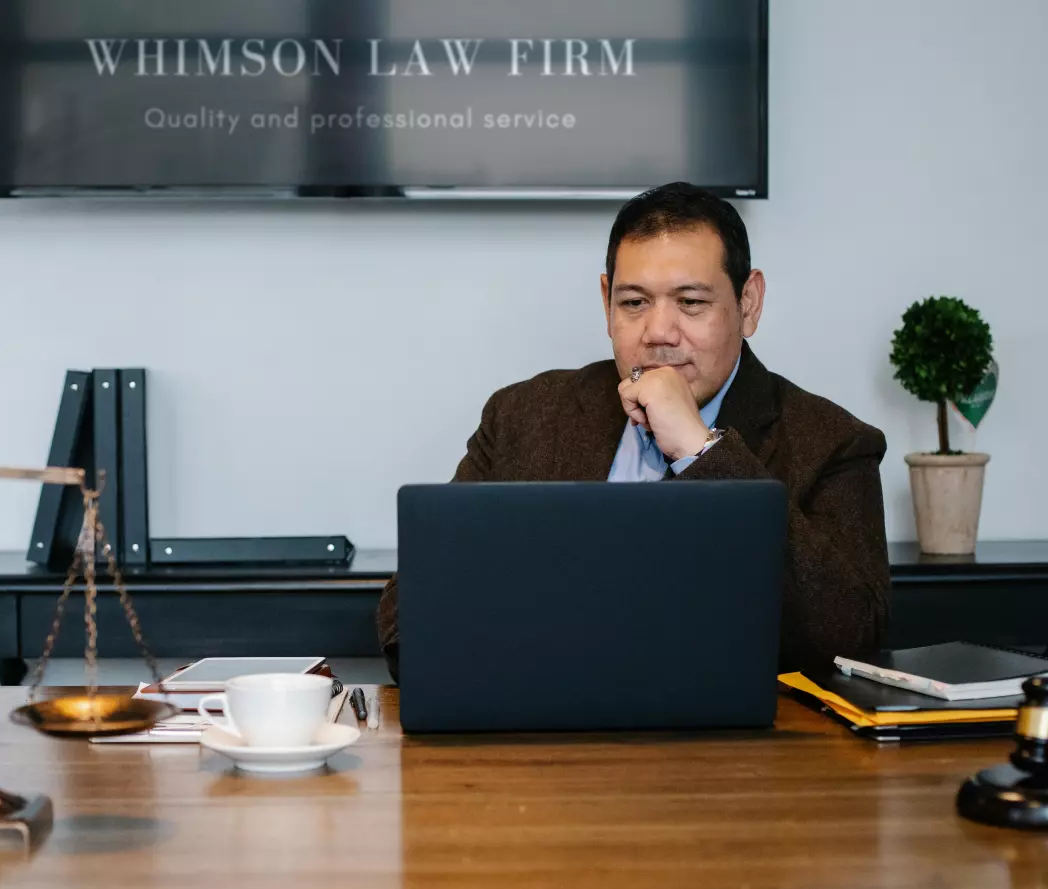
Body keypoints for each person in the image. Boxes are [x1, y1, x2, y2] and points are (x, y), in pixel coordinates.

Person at [376, 182, 890, 683]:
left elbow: (850, 640)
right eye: (634, 303)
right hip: (544, 735)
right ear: (606, 301)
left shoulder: (832, 442)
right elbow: (409, 614)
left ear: (749, 303)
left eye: (690, 302)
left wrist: (700, 452)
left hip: (737, 754)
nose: (659, 333)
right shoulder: (523, 415)